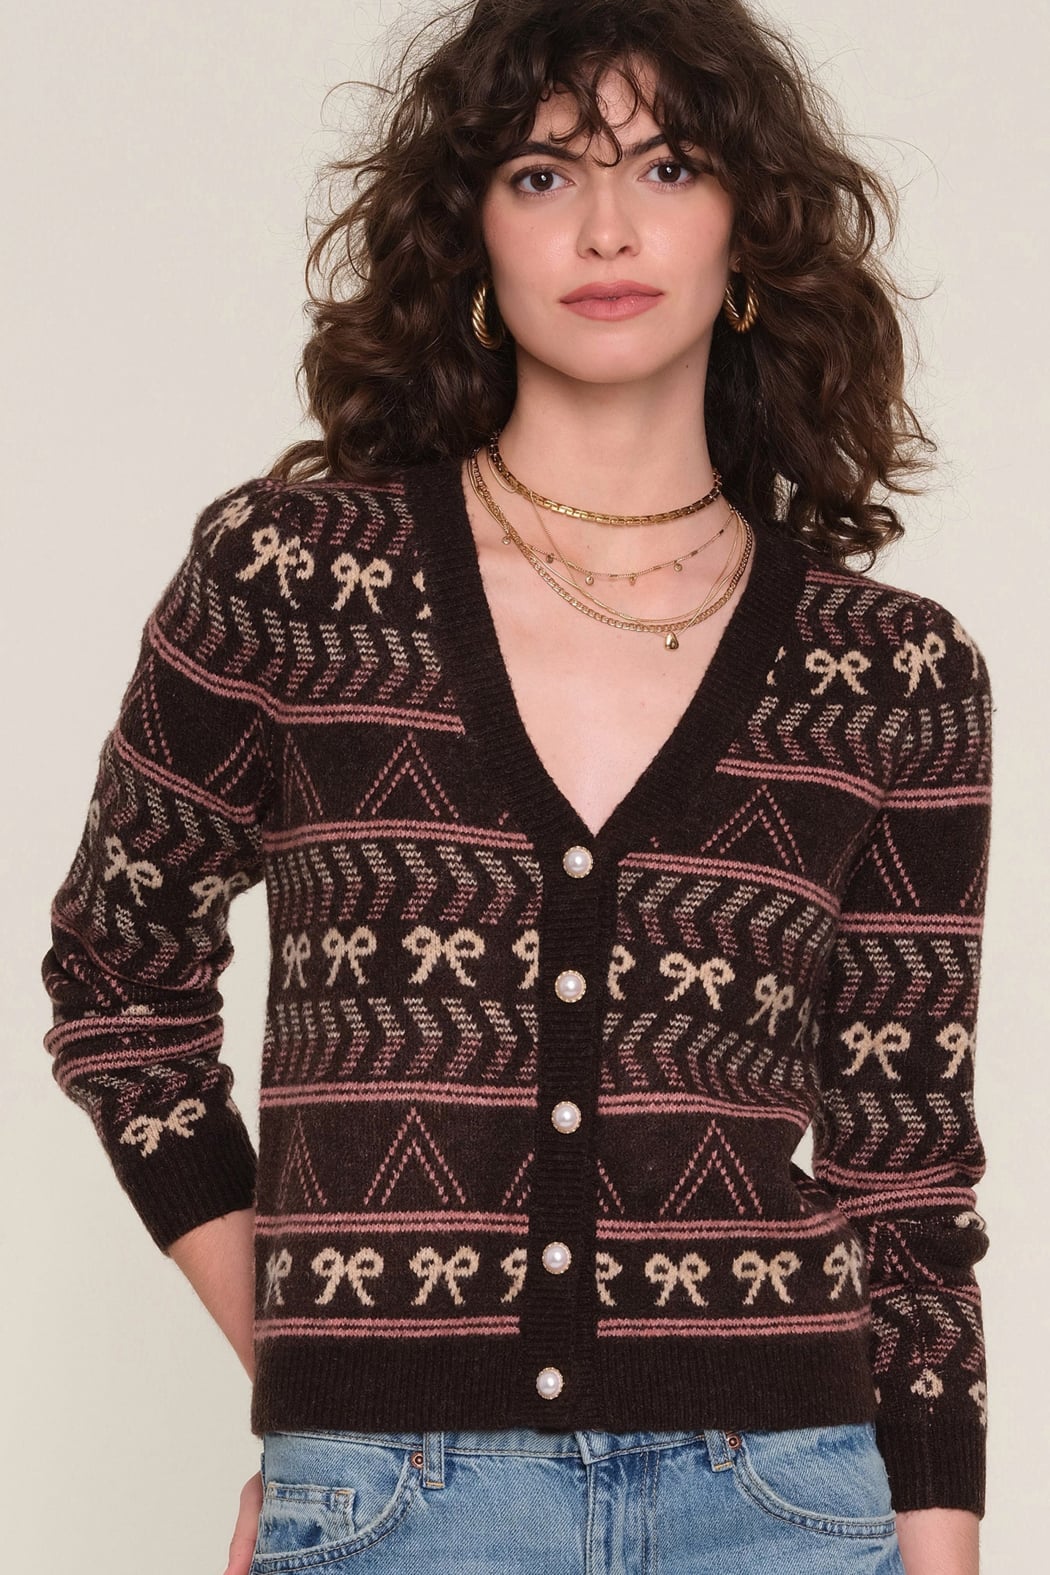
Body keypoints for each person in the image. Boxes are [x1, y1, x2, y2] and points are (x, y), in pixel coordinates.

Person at [41, 1, 993, 1571]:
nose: (607, 227)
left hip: (783, 1505)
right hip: (396, 1500)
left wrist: (938, 1546)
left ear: (748, 231)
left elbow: (906, 1161)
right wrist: (313, 1370)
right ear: (470, 232)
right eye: (543, 175)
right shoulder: (293, 581)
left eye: (668, 167)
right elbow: (115, 982)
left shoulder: (889, 672)